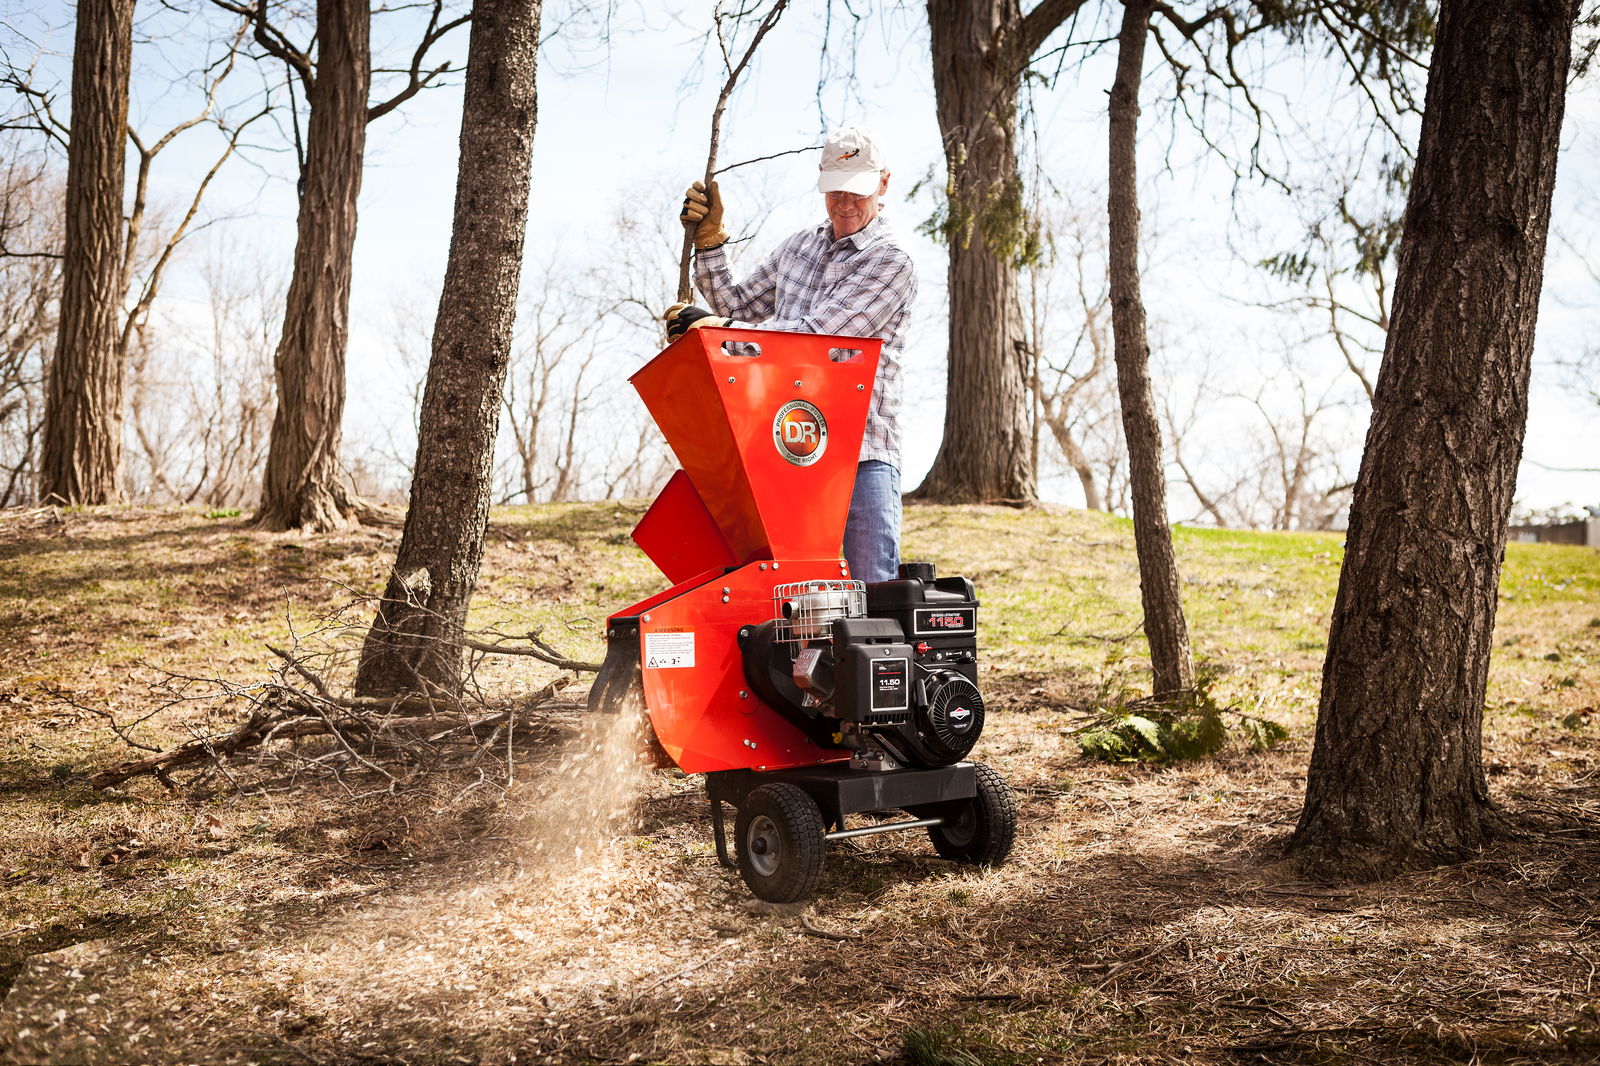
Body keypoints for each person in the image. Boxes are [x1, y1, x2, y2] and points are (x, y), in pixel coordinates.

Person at [663, 125, 916, 584]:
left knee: (872, 590)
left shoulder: (891, 261)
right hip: (788, 446)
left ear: (883, 183)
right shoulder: (799, 248)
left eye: (856, 191)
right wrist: (711, 242)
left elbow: (814, 343)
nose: (844, 204)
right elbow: (738, 306)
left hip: (861, 453)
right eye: (834, 191)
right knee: (789, 590)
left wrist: (719, 333)